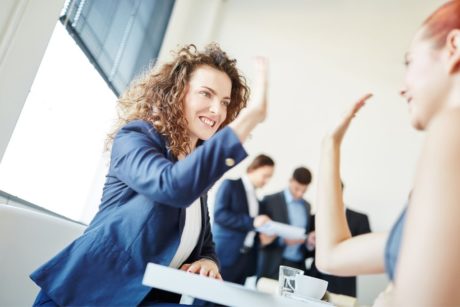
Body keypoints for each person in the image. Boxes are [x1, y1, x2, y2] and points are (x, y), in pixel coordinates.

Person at [30, 43, 269, 306]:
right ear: (176, 94)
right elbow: (170, 186)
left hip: (143, 298)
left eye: (224, 102)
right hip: (90, 294)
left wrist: (206, 261)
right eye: (206, 94)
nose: (218, 110)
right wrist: (249, 120)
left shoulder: (193, 174)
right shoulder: (135, 136)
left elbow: (206, 244)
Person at [315, 1, 460, 305]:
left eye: (409, 62)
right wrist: (331, 146)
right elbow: (332, 256)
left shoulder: (451, 126)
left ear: (455, 46)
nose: (403, 88)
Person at [213, 154, 275, 285]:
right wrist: (252, 222)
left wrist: (262, 238)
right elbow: (219, 215)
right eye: (265, 175)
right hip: (224, 255)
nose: (267, 181)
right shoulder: (230, 185)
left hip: (244, 260)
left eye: (270, 177)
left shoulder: (257, 200)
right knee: (206, 301)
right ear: (253, 169)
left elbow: (252, 229)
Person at [306, 182, 371, 297]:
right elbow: (306, 253)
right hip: (315, 281)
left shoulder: (360, 219)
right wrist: (310, 243)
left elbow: (366, 253)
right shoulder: (314, 217)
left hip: (344, 283)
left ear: (339, 192)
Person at [257, 167, 314, 280]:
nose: (299, 194)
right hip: (274, 263)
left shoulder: (307, 206)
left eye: (304, 190)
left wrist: (309, 240)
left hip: (297, 265)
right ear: (290, 180)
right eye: (297, 189)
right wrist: (282, 240)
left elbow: (306, 233)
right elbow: (259, 235)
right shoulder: (270, 200)